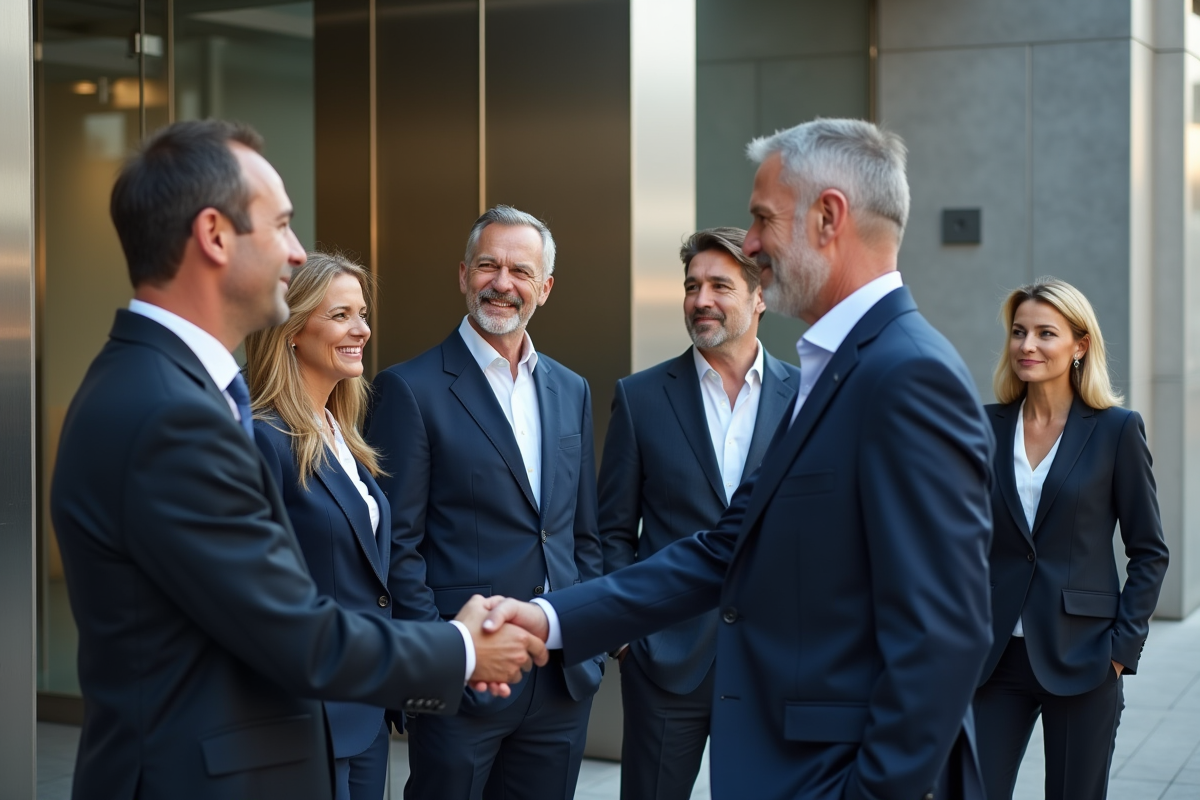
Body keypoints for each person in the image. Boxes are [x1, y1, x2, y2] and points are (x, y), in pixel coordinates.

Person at [481, 118, 996, 800]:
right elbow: (725, 548)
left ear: (828, 217)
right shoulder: (838, 368)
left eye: (761, 219)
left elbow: (947, 634)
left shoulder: (907, 375)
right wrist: (552, 619)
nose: (750, 243)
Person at [49, 120, 546, 800]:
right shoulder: (168, 412)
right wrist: (460, 648)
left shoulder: (171, 387)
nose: (295, 252)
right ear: (214, 236)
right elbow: (292, 629)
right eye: (281, 225)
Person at [365, 205, 605, 800]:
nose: (503, 283)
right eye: (489, 266)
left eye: (521, 271)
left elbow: (581, 535)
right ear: (463, 274)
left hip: (561, 677)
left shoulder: (570, 388)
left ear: (544, 289)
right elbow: (399, 545)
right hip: (464, 682)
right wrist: (443, 663)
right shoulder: (410, 388)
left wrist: (587, 641)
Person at [599, 226, 799, 800]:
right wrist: (626, 635)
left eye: (719, 285)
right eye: (692, 286)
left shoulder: (810, 397)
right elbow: (613, 528)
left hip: (776, 660)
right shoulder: (640, 398)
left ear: (760, 296)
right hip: (666, 659)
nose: (701, 300)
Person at [972, 278, 1169, 800]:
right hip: (992, 658)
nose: (1027, 346)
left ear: (1080, 345)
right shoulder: (982, 427)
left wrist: (1120, 651)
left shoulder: (1116, 430)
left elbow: (1149, 549)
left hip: (1085, 655)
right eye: (1018, 332)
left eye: (1045, 333)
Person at [244, 252, 394, 800]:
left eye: (362, 312)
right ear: (291, 329)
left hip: (367, 708)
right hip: (306, 717)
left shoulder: (341, 433)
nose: (362, 329)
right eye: (340, 316)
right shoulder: (264, 438)